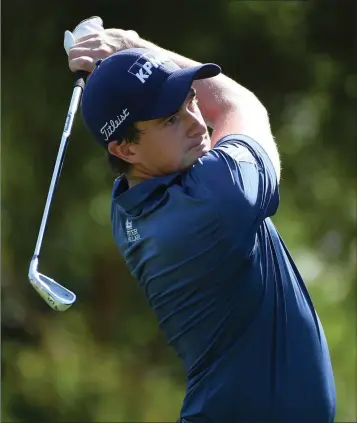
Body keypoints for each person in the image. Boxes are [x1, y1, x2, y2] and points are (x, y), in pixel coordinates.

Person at [68, 25, 336, 422]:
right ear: (125, 148)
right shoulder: (216, 197)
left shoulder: (127, 203)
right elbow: (235, 105)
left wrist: (127, 74)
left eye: (190, 99)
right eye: (170, 120)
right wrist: (137, 46)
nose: (196, 123)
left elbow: (166, 118)